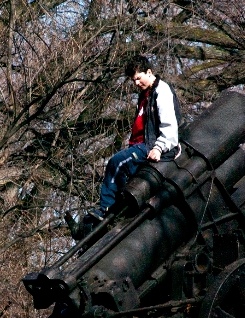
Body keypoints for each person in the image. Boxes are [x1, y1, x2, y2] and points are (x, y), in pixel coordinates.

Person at [76, 55, 181, 235]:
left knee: (117, 162)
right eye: (133, 81)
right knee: (122, 176)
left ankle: (105, 210)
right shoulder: (144, 95)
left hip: (153, 147)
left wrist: (159, 147)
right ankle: (111, 214)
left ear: (149, 72)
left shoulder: (161, 91)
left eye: (138, 78)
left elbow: (170, 127)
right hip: (141, 146)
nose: (136, 83)